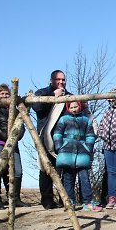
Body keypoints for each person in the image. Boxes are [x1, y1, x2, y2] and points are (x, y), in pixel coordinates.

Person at [32, 70, 72, 209]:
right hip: (46, 136)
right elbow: (37, 107)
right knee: (46, 169)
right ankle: (47, 200)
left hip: (65, 138)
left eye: (63, 79)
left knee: (66, 169)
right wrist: (52, 96)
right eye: (58, 79)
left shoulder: (70, 96)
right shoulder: (41, 93)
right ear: (51, 81)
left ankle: (65, 199)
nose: (61, 82)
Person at [53, 101, 102, 211]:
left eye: (76, 107)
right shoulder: (63, 119)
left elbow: (90, 135)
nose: (74, 109)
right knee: (68, 178)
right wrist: (60, 147)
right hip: (67, 151)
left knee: (84, 178)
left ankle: (88, 202)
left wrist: (88, 148)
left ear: (80, 106)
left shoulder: (86, 120)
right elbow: (57, 134)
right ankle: (70, 201)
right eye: (71, 107)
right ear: (68, 108)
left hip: (82, 152)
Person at [0, 84, 27, 209]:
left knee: (17, 171)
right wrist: (6, 137)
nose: (5, 96)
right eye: (2, 94)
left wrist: (17, 136)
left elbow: (22, 125)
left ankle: (15, 198)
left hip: (12, 143)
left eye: (7, 94)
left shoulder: (14, 110)